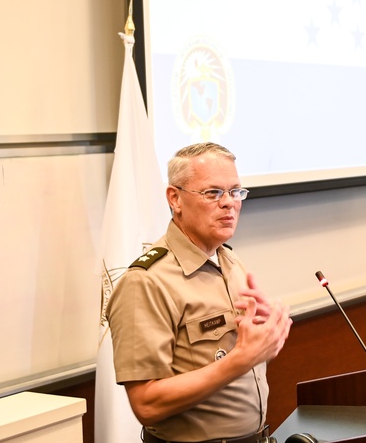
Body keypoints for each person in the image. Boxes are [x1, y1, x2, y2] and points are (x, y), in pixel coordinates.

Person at [106, 142, 292, 443]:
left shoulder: (230, 262)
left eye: (236, 192)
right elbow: (146, 404)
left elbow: (238, 362)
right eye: (213, 193)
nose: (229, 203)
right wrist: (241, 359)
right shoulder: (147, 282)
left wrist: (263, 339)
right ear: (175, 198)